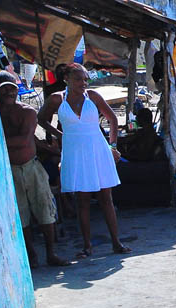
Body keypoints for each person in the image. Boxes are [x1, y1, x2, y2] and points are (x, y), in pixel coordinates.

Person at [37, 63, 131, 258]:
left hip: (98, 150)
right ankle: (87, 246)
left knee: (106, 197)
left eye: (85, 79)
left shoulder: (93, 97)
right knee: (82, 200)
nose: (83, 83)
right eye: (78, 79)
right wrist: (60, 134)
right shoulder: (57, 99)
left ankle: (116, 242)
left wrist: (113, 147)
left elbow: (112, 119)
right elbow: (41, 119)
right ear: (67, 80)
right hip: (75, 153)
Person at [0, 72, 67, 267]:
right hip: (11, 169)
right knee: (21, 214)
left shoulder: (27, 112)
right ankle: (31, 255)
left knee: (45, 210)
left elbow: (24, 141)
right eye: (4, 88)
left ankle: (51, 253)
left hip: (31, 167)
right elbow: (24, 141)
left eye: (12, 87)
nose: (9, 91)